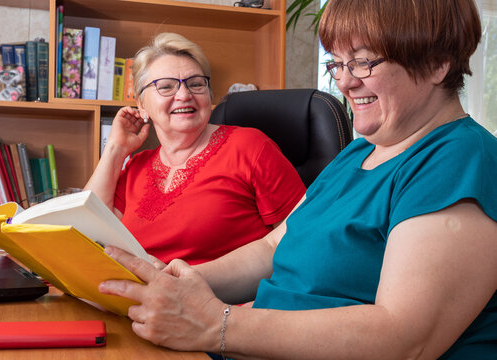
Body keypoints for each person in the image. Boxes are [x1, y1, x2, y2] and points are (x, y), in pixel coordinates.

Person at [97, 0, 497, 358]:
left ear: (435, 64)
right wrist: (174, 282)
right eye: (337, 64)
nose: (344, 82)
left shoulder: (460, 159)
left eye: (362, 62)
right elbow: (272, 248)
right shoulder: (359, 153)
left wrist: (214, 324)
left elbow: (406, 338)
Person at [84, 32, 305, 265]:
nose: (184, 95)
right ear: (141, 104)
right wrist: (115, 150)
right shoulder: (136, 166)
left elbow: (302, 238)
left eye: (196, 84)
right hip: (137, 297)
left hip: (223, 298)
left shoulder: (250, 147)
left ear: (209, 95)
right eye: (166, 87)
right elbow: (87, 229)